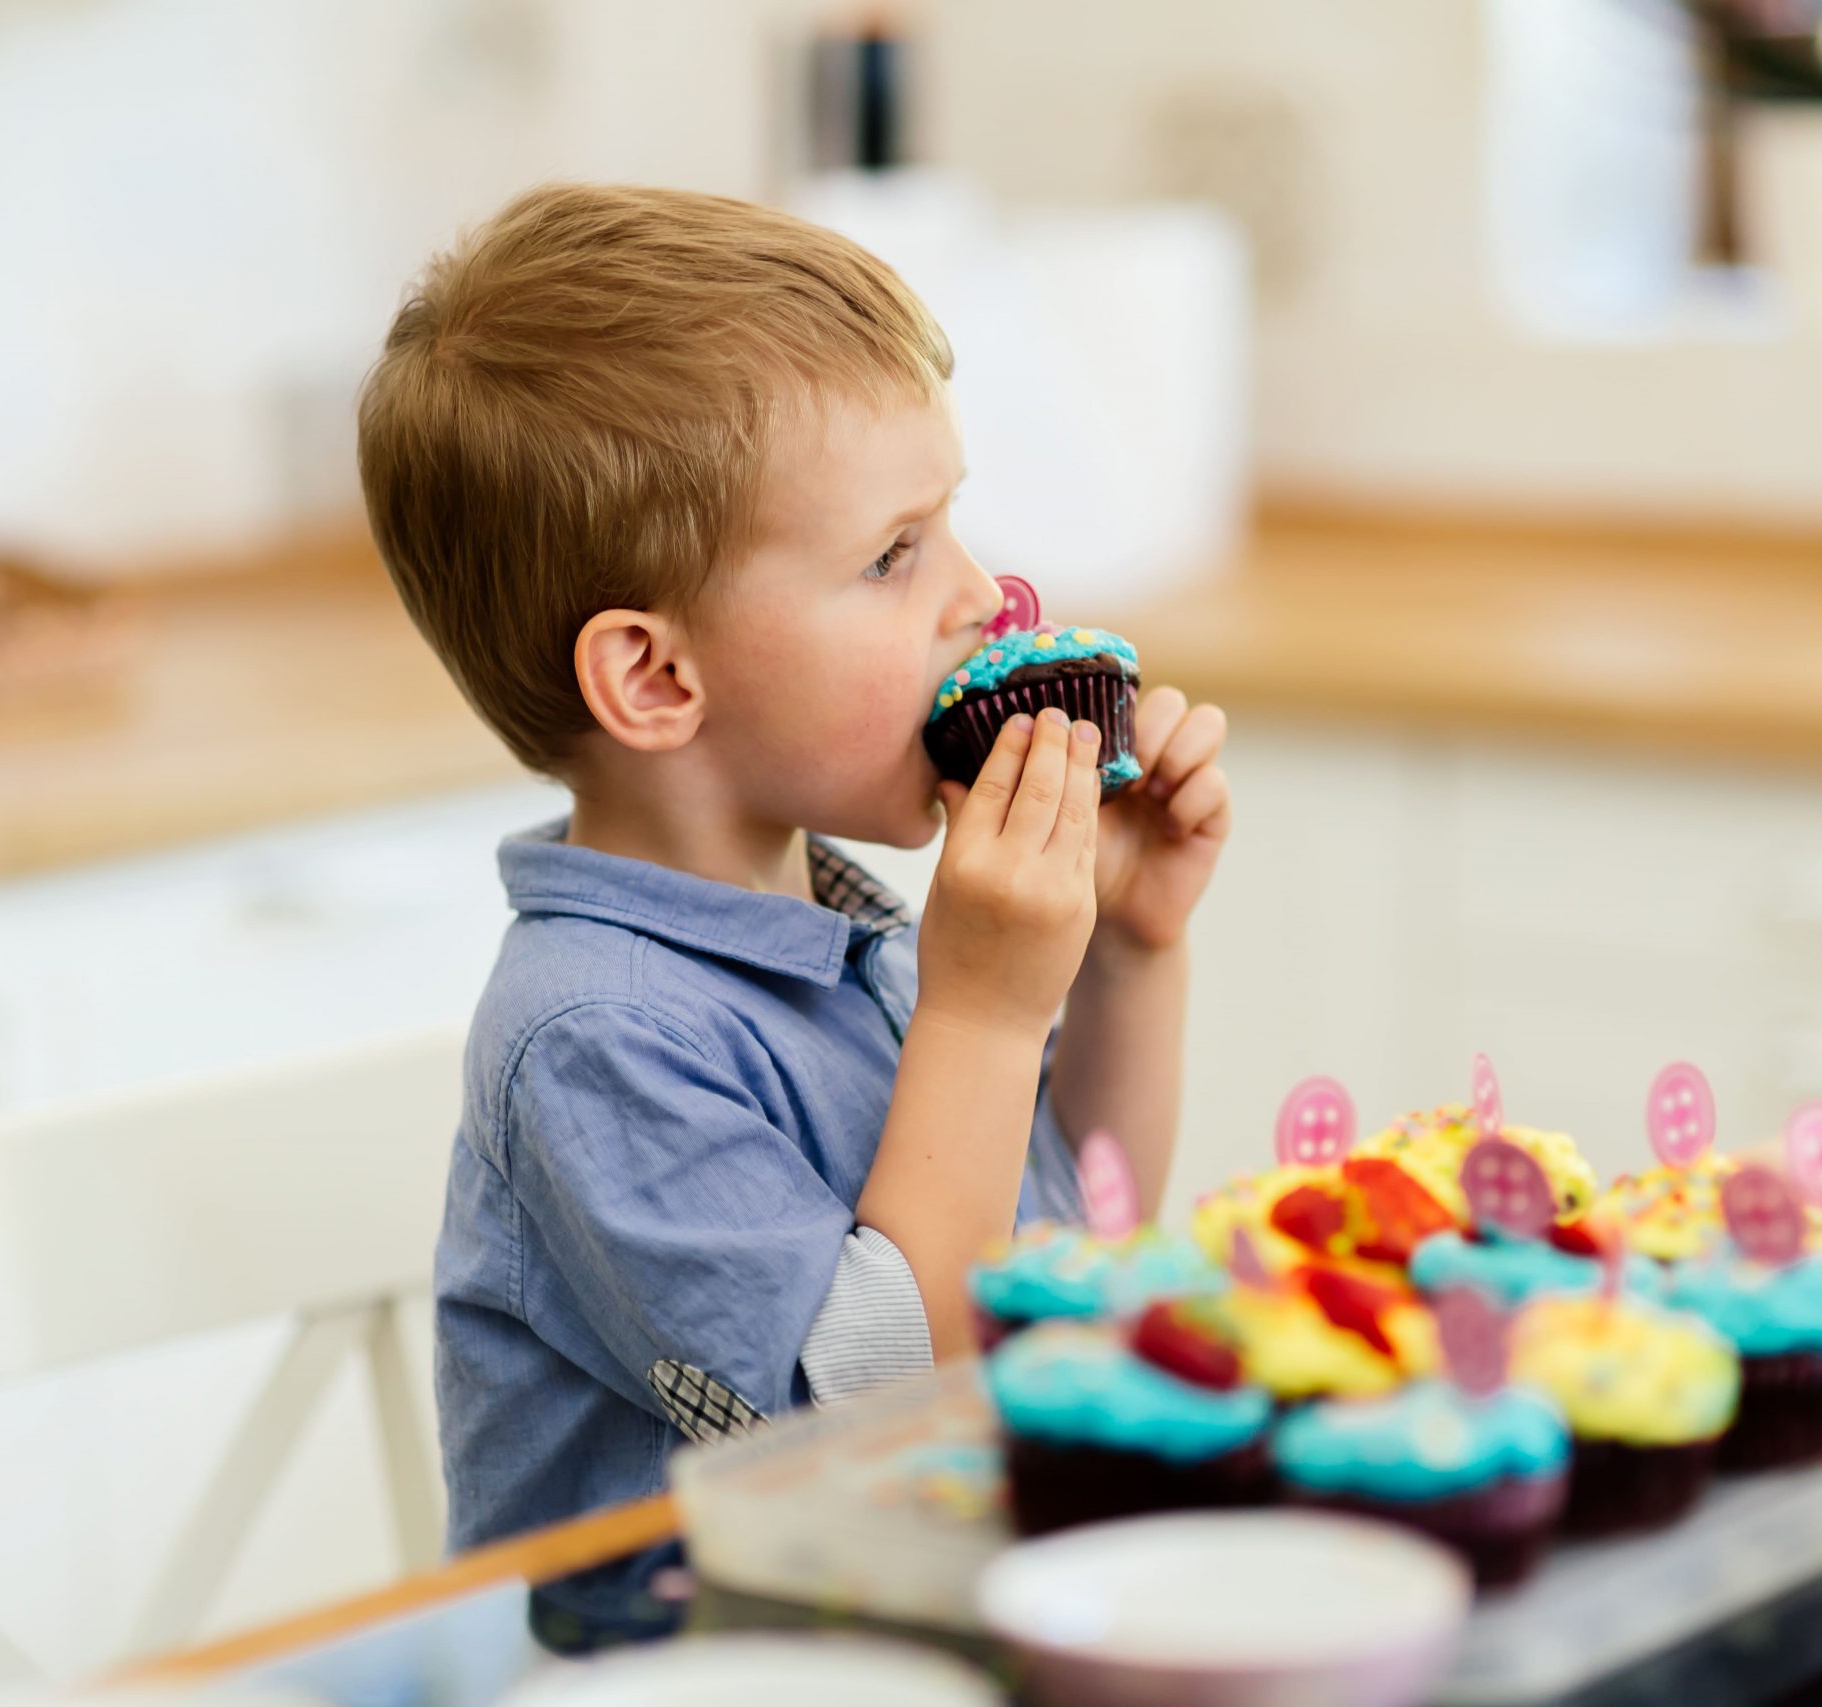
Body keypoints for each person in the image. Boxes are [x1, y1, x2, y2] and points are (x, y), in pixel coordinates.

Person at [355, 181, 1232, 1645]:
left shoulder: (843, 930)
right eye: (895, 555)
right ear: (655, 681)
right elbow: (879, 1422)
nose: (985, 597)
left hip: (927, 1630)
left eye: (951, 525)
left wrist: (1129, 945)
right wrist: (986, 1006)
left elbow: (1063, 1254)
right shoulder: (594, 1037)